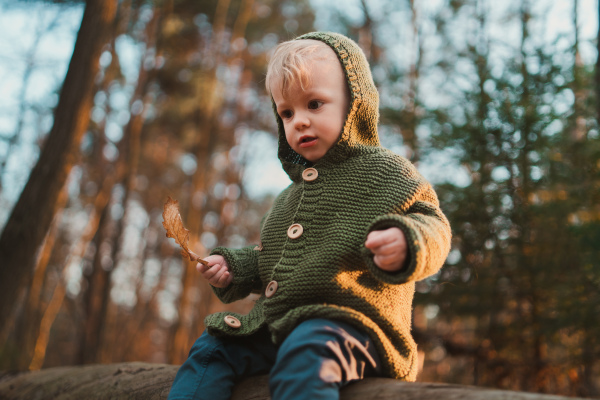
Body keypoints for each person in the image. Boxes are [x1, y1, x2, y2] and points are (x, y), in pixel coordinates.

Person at [168, 31, 451, 400]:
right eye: (287, 112)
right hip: (279, 328)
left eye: (314, 104)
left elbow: (435, 226)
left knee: (306, 354)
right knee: (212, 349)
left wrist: (408, 241)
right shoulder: (289, 198)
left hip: (354, 325)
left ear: (355, 102)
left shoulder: (387, 172)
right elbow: (274, 261)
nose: (299, 121)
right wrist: (232, 268)